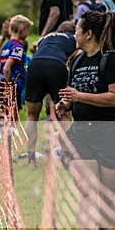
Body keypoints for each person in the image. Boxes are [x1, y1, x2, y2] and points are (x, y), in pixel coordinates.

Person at [56, 11, 115, 230]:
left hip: (113, 134)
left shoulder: (114, 61)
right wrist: (66, 105)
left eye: (77, 30)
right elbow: (76, 95)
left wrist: (79, 97)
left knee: (108, 194)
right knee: (87, 191)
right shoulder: (77, 60)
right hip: (82, 133)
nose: (74, 34)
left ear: (89, 34)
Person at [24, 21, 76, 165]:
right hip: (57, 66)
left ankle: (31, 159)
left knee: (31, 115)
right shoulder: (73, 38)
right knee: (65, 114)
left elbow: (36, 48)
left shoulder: (45, 37)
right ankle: (66, 158)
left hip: (35, 65)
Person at [0, 15, 32, 110]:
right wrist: (8, 86)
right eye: (27, 30)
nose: (28, 33)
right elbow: (6, 68)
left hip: (4, 84)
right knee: (13, 115)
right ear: (22, 29)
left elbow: (0, 68)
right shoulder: (18, 48)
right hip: (13, 86)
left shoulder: (6, 46)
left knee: (7, 112)